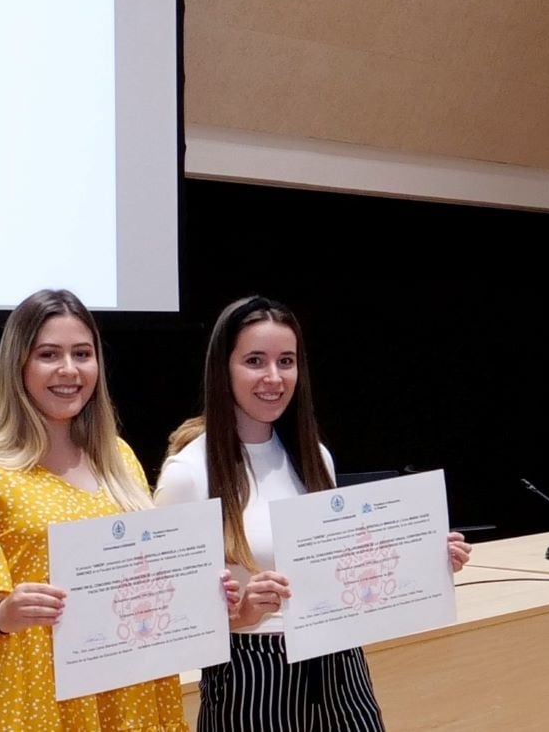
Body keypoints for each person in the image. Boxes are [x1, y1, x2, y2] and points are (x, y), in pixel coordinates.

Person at [154, 297, 472, 731]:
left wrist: (425, 559)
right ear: (222, 368)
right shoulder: (188, 473)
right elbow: (167, 619)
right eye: (254, 361)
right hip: (253, 672)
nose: (273, 377)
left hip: (340, 659)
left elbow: (343, 569)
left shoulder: (314, 457)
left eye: (286, 361)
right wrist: (241, 616)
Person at [0, 289, 192, 732]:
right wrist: (2, 614)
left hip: (123, 682)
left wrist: (196, 589)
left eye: (82, 354)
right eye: (49, 354)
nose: (69, 370)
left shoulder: (117, 457)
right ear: (18, 365)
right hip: (22, 692)